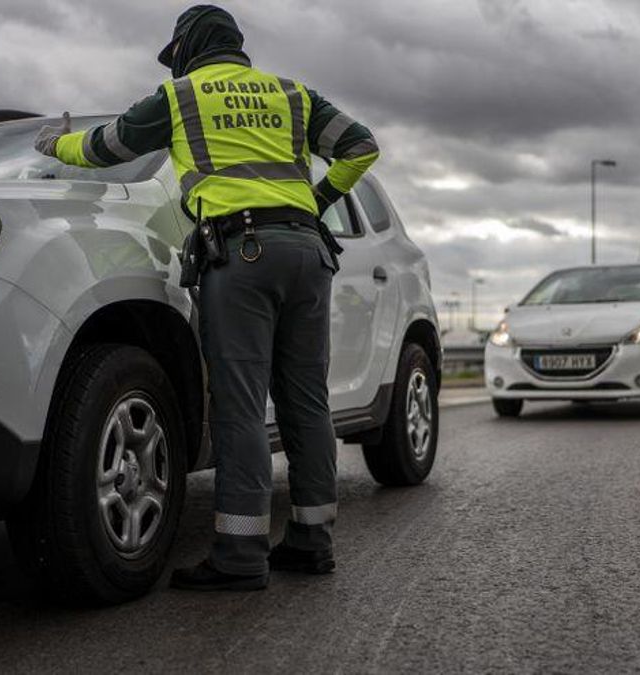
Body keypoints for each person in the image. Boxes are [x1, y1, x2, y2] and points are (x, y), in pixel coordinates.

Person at [34, 5, 380, 592]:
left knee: (240, 406)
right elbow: (361, 146)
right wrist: (317, 202)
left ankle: (241, 553)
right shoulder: (292, 94)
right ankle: (312, 539)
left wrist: (53, 144)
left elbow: (106, 147)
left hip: (243, 254)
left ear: (188, 50)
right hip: (309, 252)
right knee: (306, 401)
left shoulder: (181, 97)